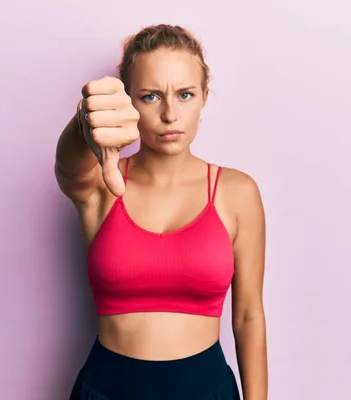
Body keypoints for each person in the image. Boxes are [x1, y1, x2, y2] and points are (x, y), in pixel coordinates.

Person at [55, 23, 268, 400]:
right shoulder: (101, 183)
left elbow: (249, 316)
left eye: (185, 94)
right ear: (129, 103)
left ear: (204, 97)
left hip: (206, 391)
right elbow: (69, 167)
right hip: (107, 390)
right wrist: (86, 120)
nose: (170, 114)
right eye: (151, 96)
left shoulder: (237, 193)